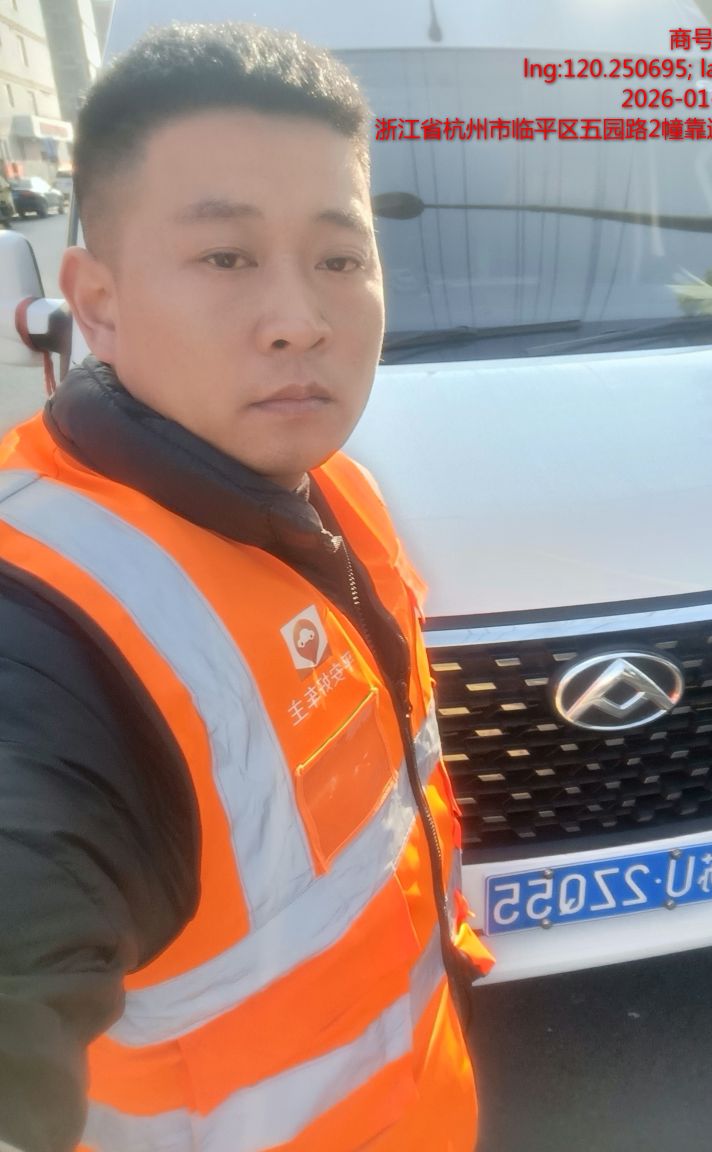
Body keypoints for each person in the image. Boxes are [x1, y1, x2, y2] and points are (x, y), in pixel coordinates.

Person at [0, 21, 493, 1152]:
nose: (302, 321)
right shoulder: (43, 635)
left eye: (340, 260)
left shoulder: (332, 490)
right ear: (98, 300)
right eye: (226, 258)